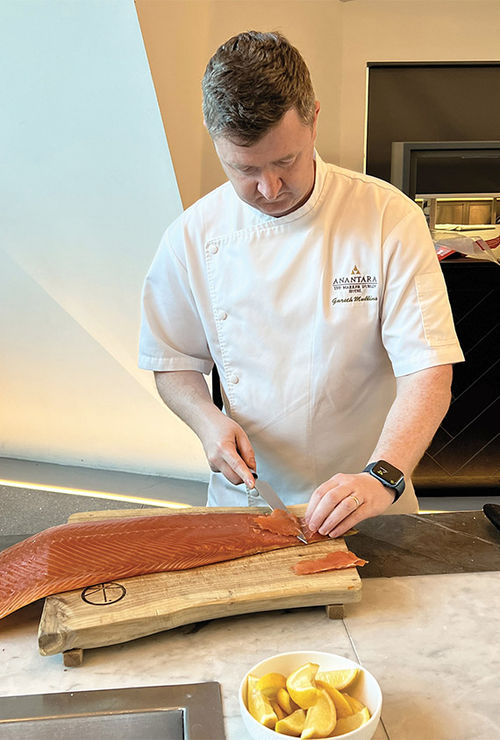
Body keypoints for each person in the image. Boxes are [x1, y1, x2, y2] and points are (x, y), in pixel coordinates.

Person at [138, 31, 464, 538]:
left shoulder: (386, 217)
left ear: (313, 118)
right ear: (213, 134)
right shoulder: (190, 237)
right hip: (246, 503)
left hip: (371, 501)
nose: (269, 189)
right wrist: (207, 421)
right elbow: (172, 363)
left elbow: (429, 371)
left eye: (285, 161)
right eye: (244, 169)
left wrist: (383, 474)